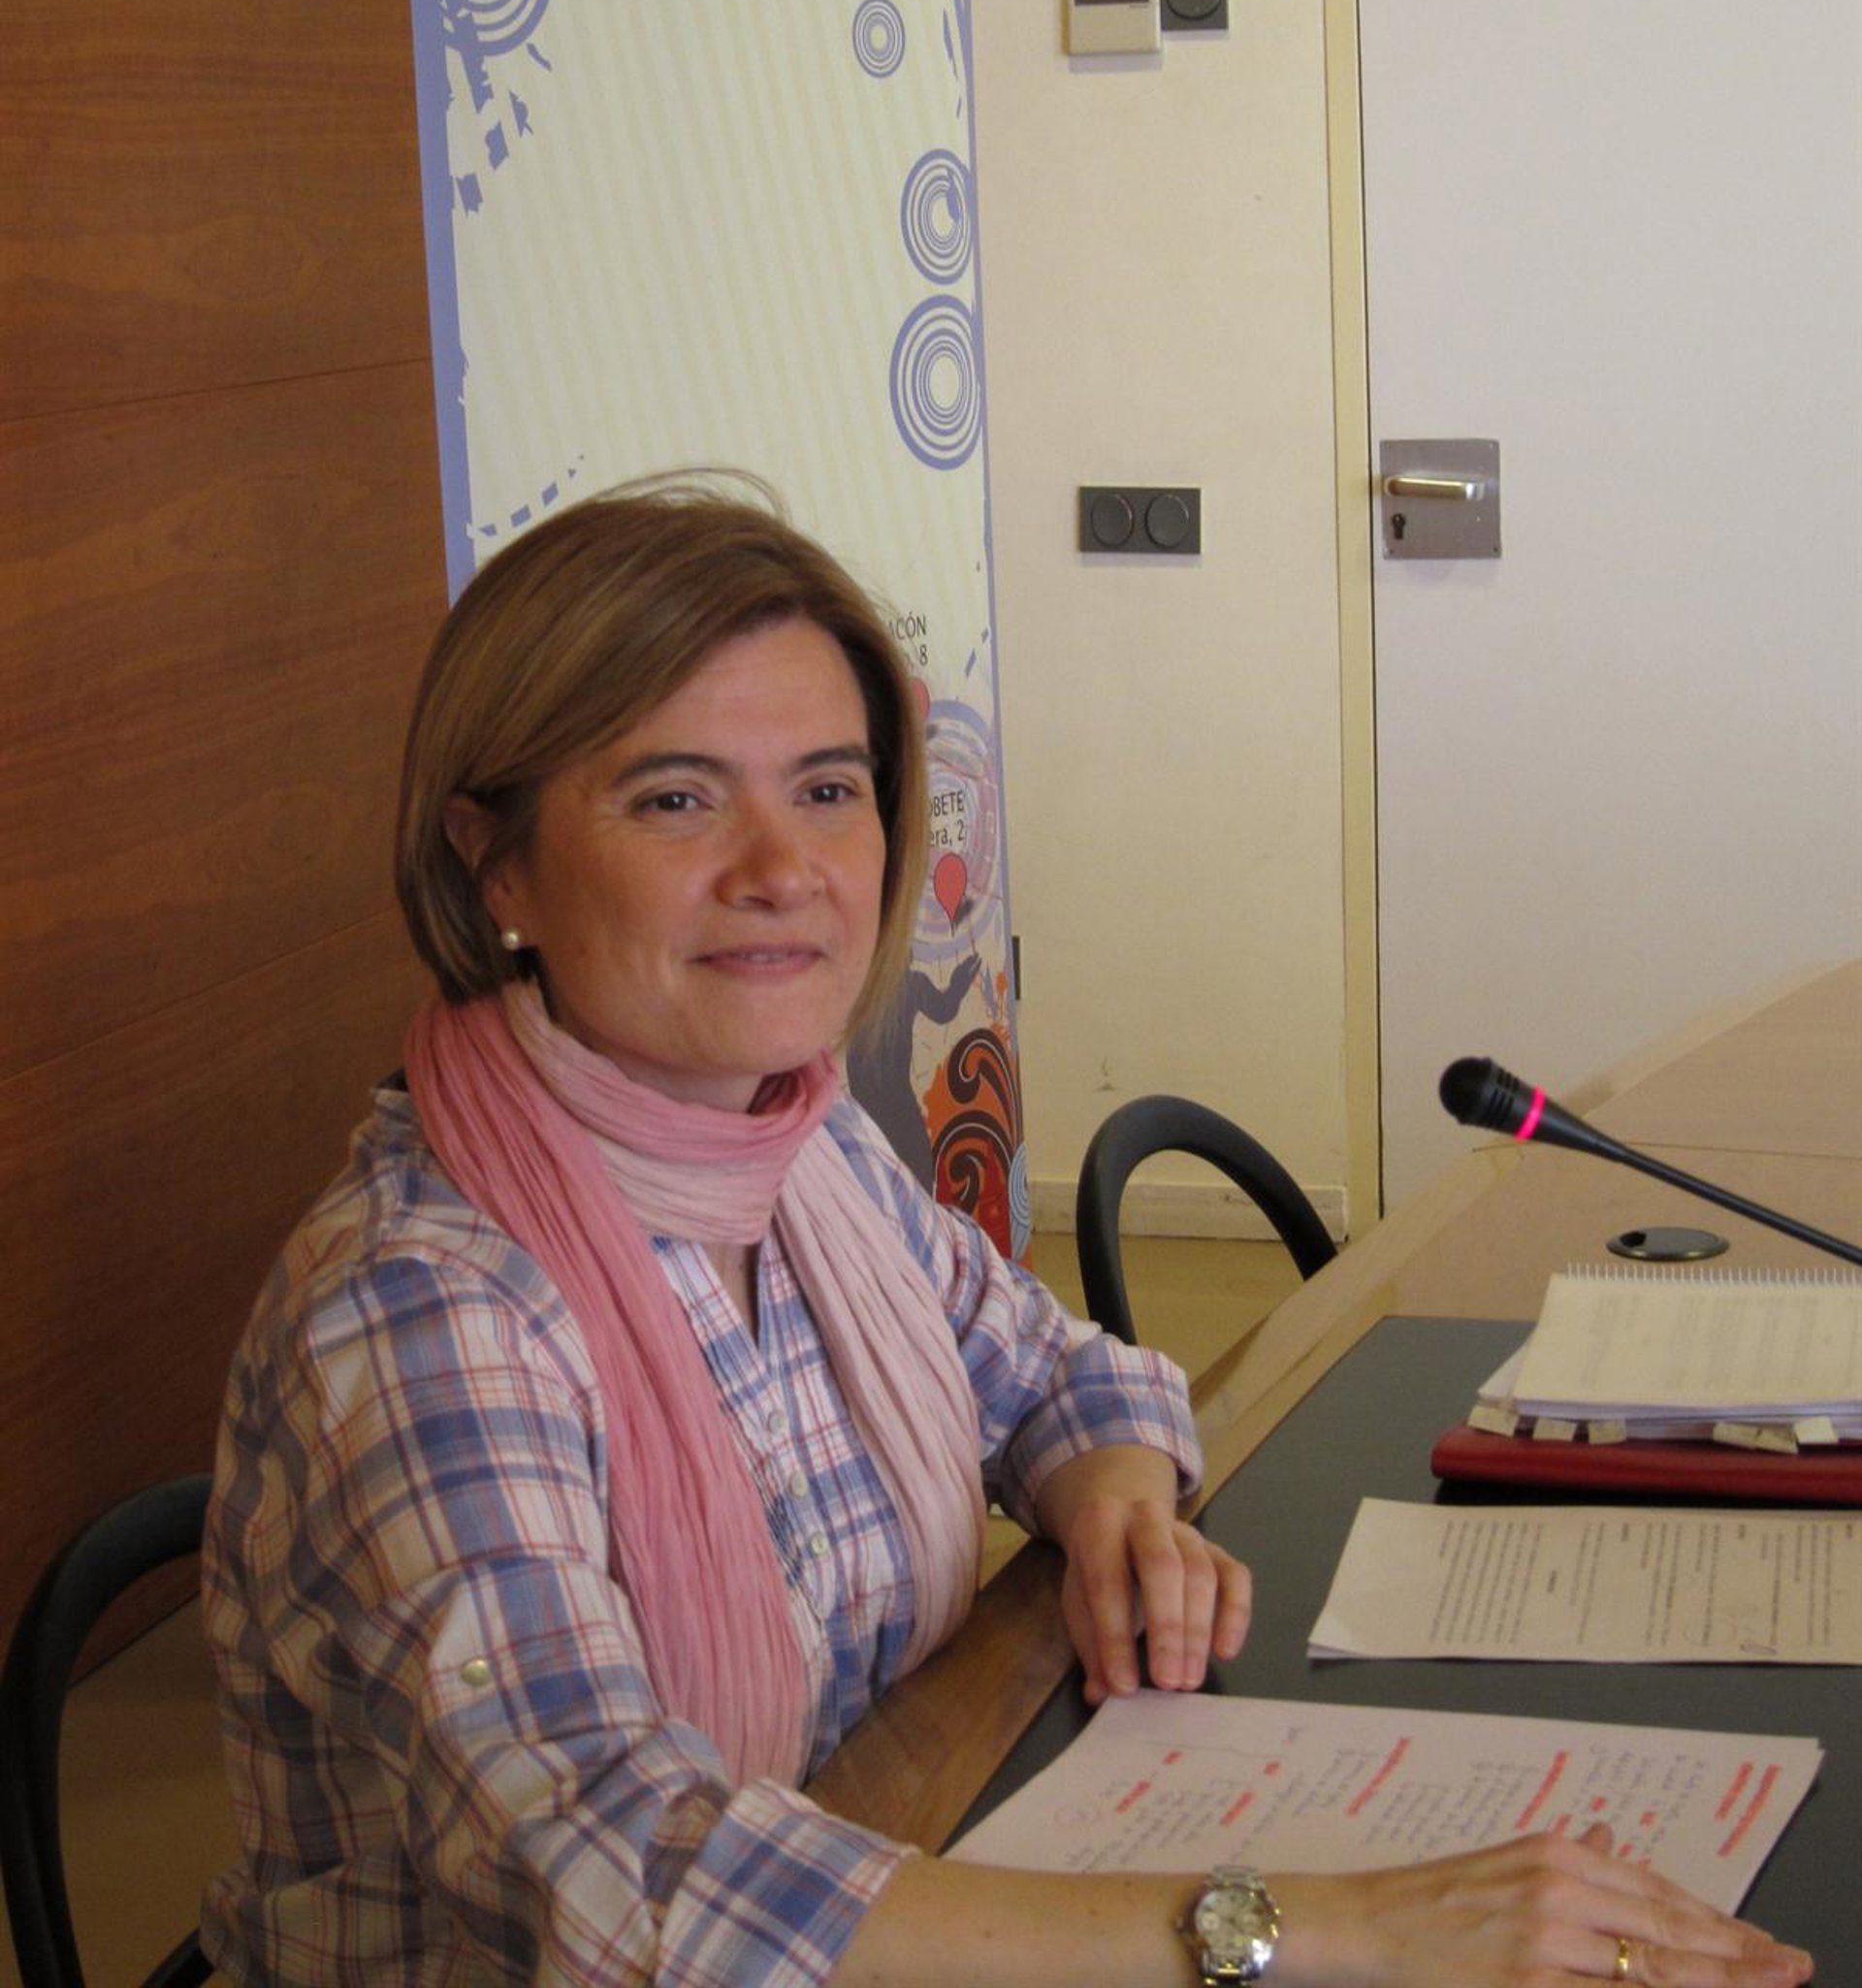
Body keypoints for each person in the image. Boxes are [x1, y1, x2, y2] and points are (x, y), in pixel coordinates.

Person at [202, 483, 1814, 1988]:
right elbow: (623, 1884)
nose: (783, 869)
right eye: (676, 798)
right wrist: (1309, 1927)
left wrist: (1112, 1502)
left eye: (827, 789)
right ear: (495, 864)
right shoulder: (426, 1306)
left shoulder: (802, 1143)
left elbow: (1057, 1371)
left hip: (900, 1836)